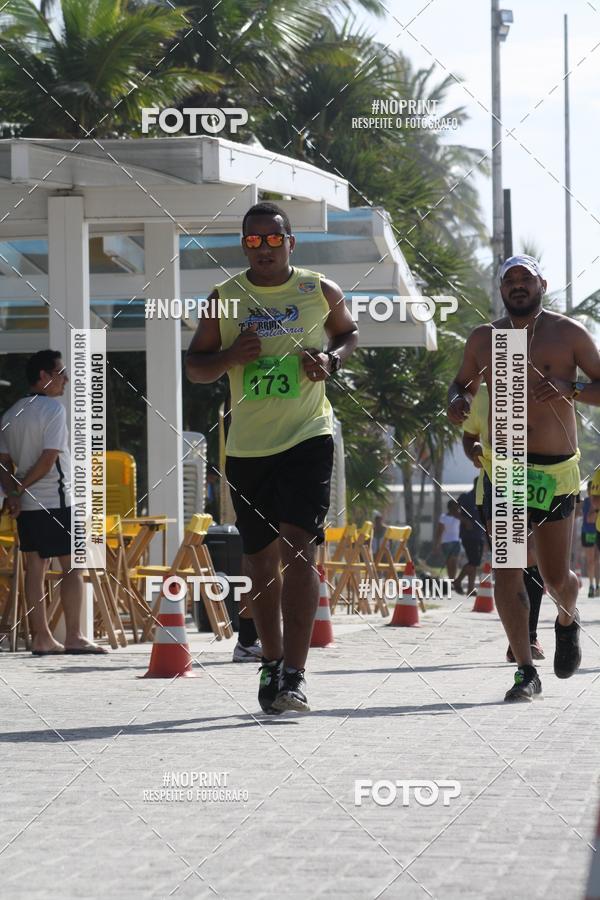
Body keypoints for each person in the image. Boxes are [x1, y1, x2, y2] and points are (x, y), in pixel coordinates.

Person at [185, 201, 358, 712]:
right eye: (254, 241)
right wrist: (229, 358)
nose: (264, 248)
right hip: (249, 447)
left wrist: (331, 359)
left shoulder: (317, 289)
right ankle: (270, 663)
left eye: (273, 239)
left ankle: (297, 675)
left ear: (290, 242)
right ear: (244, 246)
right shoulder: (225, 298)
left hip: (308, 434)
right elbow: (195, 366)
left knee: (300, 549)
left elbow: (347, 334)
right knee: (260, 561)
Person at [448, 255, 600, 701]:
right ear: (501, 290)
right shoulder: (487, 338)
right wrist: (458, 401)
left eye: (525, 279)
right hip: (508, 467)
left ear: (541, 284)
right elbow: (461, 385)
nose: (518, 286)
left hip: (555, 470)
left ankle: (567, 619)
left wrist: (568, 389)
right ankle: (525, 669)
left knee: (555, 578)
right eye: (509, 280)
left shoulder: (567, 333)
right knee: (509, 566)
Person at [0, 350, 107, 656]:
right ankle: (73, 635)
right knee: (73, 568)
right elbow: (49, 460)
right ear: (44, 377)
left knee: (35, 569)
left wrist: (14, 493)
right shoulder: (54, 411)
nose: (66, 380)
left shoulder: (11, 414)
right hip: (57, 500)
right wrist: (18, 490)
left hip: (29, 507)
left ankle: (42, 637)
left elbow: (3, 464)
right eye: (61, 374)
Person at [461, 383, 545, 662]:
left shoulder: (540, 386)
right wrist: (474, 451)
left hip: (537, 480)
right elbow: (469, 436)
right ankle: (521, 643)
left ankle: (530, 637)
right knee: (510, 563)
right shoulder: (481, 395)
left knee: (534, 556)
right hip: (495, 484)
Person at [454, 479, 484, 596]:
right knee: (474, 561)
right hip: (468, 535)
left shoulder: (484, 498)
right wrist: (465, 520)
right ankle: (458, 581)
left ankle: (470, 588)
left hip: (480, 534)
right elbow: (453, 509)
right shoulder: (466, 497)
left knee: (475, 562)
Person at [433, 500, 461, 580]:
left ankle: (453, 579)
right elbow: (439, 531)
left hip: (456, 541)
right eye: (455, 506)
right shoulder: (443, 517)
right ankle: (451, 579)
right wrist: (436, 545)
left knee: (454, 562)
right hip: (446, 542)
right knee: (450, 562)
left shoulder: (459, 517)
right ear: (450, 508)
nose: (457, 508)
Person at [581, 481, 599, 597]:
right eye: (589, 490)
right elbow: (589, 519)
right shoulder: (586, 502)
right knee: (590, 561)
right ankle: (591, 585)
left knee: (597, 561)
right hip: (587, 532)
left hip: (598, 531)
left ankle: (597, 585)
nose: (590, 492)